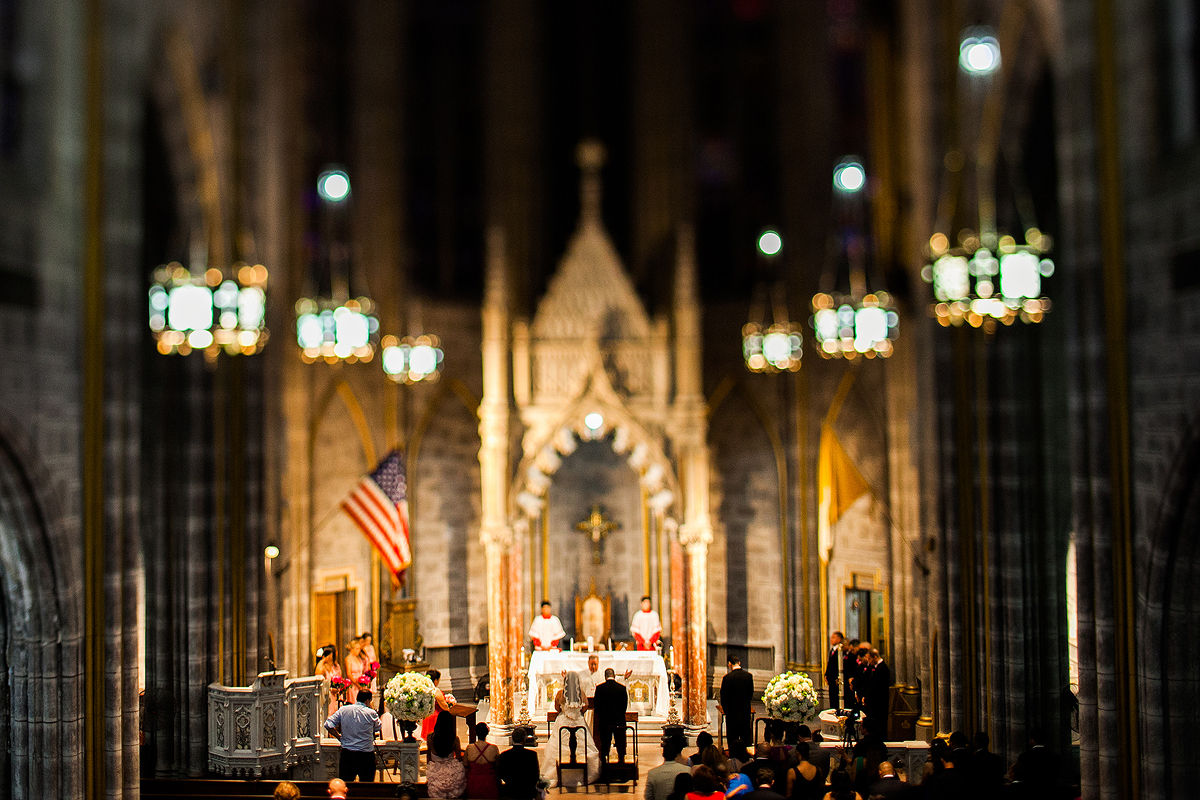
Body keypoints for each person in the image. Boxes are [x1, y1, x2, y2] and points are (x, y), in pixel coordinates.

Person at [541, 670, 601, 787]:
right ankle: (582, 775)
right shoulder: (581, 693)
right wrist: (578, 713)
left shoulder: (560, 694)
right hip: (578, 721)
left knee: (559, 745)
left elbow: (557, 707)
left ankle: (558, 774)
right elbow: (586, 706)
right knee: (582, 745)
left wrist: (564, 713)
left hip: (563, 721)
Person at [323, 689, 381, 782]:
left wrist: (339, 737)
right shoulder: (371, 713)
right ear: (367, 701)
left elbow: (328, 724)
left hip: (348, 754)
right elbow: (378, 727)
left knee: (346, 785)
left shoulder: (344, 709)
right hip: (366, 755)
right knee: (367, 788)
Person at [593, 667, 630, 769]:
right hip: (619, 721)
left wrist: (603, 717)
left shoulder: (600, 688)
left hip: (605, 722)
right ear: (614, 676)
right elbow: (624, 706)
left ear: (605, 677)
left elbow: (597, 707)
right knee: (620, 747)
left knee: (605, 746)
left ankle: (604, 771)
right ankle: (622, 770)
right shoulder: (621, 688)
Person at [1010, 728, 1061, 798]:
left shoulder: (1024, 757)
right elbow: (1057, 775)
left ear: (1033, 740)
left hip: (1029, 791)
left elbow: (1020, 775)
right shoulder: (1054, 757)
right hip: (1048, 791)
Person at [426, 709, 466, 798]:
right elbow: (459, 758)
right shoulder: (455, 739)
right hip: (451, 774)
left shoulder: (430, 737)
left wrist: (429, 772)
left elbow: (428, 756)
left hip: (435, 772)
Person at [497, 727, 541, 800]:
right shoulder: (531, 755)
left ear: (513, 738)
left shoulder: (504, 755)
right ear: (524, 739)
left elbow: (501, 774)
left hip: (510, 791)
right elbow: (535, 776)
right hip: (527, 792)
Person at [720, 655, 754, 750]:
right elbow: (750, 694)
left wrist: (727, 712)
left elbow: (724, 699)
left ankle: (733, 760)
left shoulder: (727, 678)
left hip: (732, 716)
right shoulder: (748, 676)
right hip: (745, 713)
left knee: (733, 741)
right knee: (746, 739)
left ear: (729, 664)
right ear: (739, 663)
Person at [645, 733, 691, 800]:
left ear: (663, 755)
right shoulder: (687, 770)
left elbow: (648, 796)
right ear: (675, 755)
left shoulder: (652, 773)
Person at [464, 722, 501, 799]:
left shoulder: (469, 748)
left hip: (473, 783)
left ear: (476, 733)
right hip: (490, 783)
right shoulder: (493, 748)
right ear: (487, 733)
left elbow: (465, 766)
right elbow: (498, 767)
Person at [863, 650, 891, 738]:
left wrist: (867, 698)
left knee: (879, 724)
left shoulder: (882, 669)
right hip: (876, 703)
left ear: (875, 657)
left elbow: (875, 687)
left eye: (869, 659)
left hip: (879, 703)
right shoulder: (877, 667)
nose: (869, 661)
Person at [421, 668, 454, 740]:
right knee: (437, 740)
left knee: (429, 741)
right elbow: (444, 706)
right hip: (436, 718)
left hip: (427, 716)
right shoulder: (436, 691)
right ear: (435, 680)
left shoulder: (424, 689)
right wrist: (451, 704)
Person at [315, 645, 343, 716]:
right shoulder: (321, 668)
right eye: (329, 657)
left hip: (336, 694)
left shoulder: (335, 666)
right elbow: (319, 684)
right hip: (328, 694)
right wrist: (331, 689)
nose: (331, 659)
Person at [825, 632, 845, 710]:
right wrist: (826, 674)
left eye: (833, 637)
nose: (831, 639)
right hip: (831, 679)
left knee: (836, 699)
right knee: (832, 697)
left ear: (839, 639)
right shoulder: (832, 650)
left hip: (836, 679)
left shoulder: (840, 650)